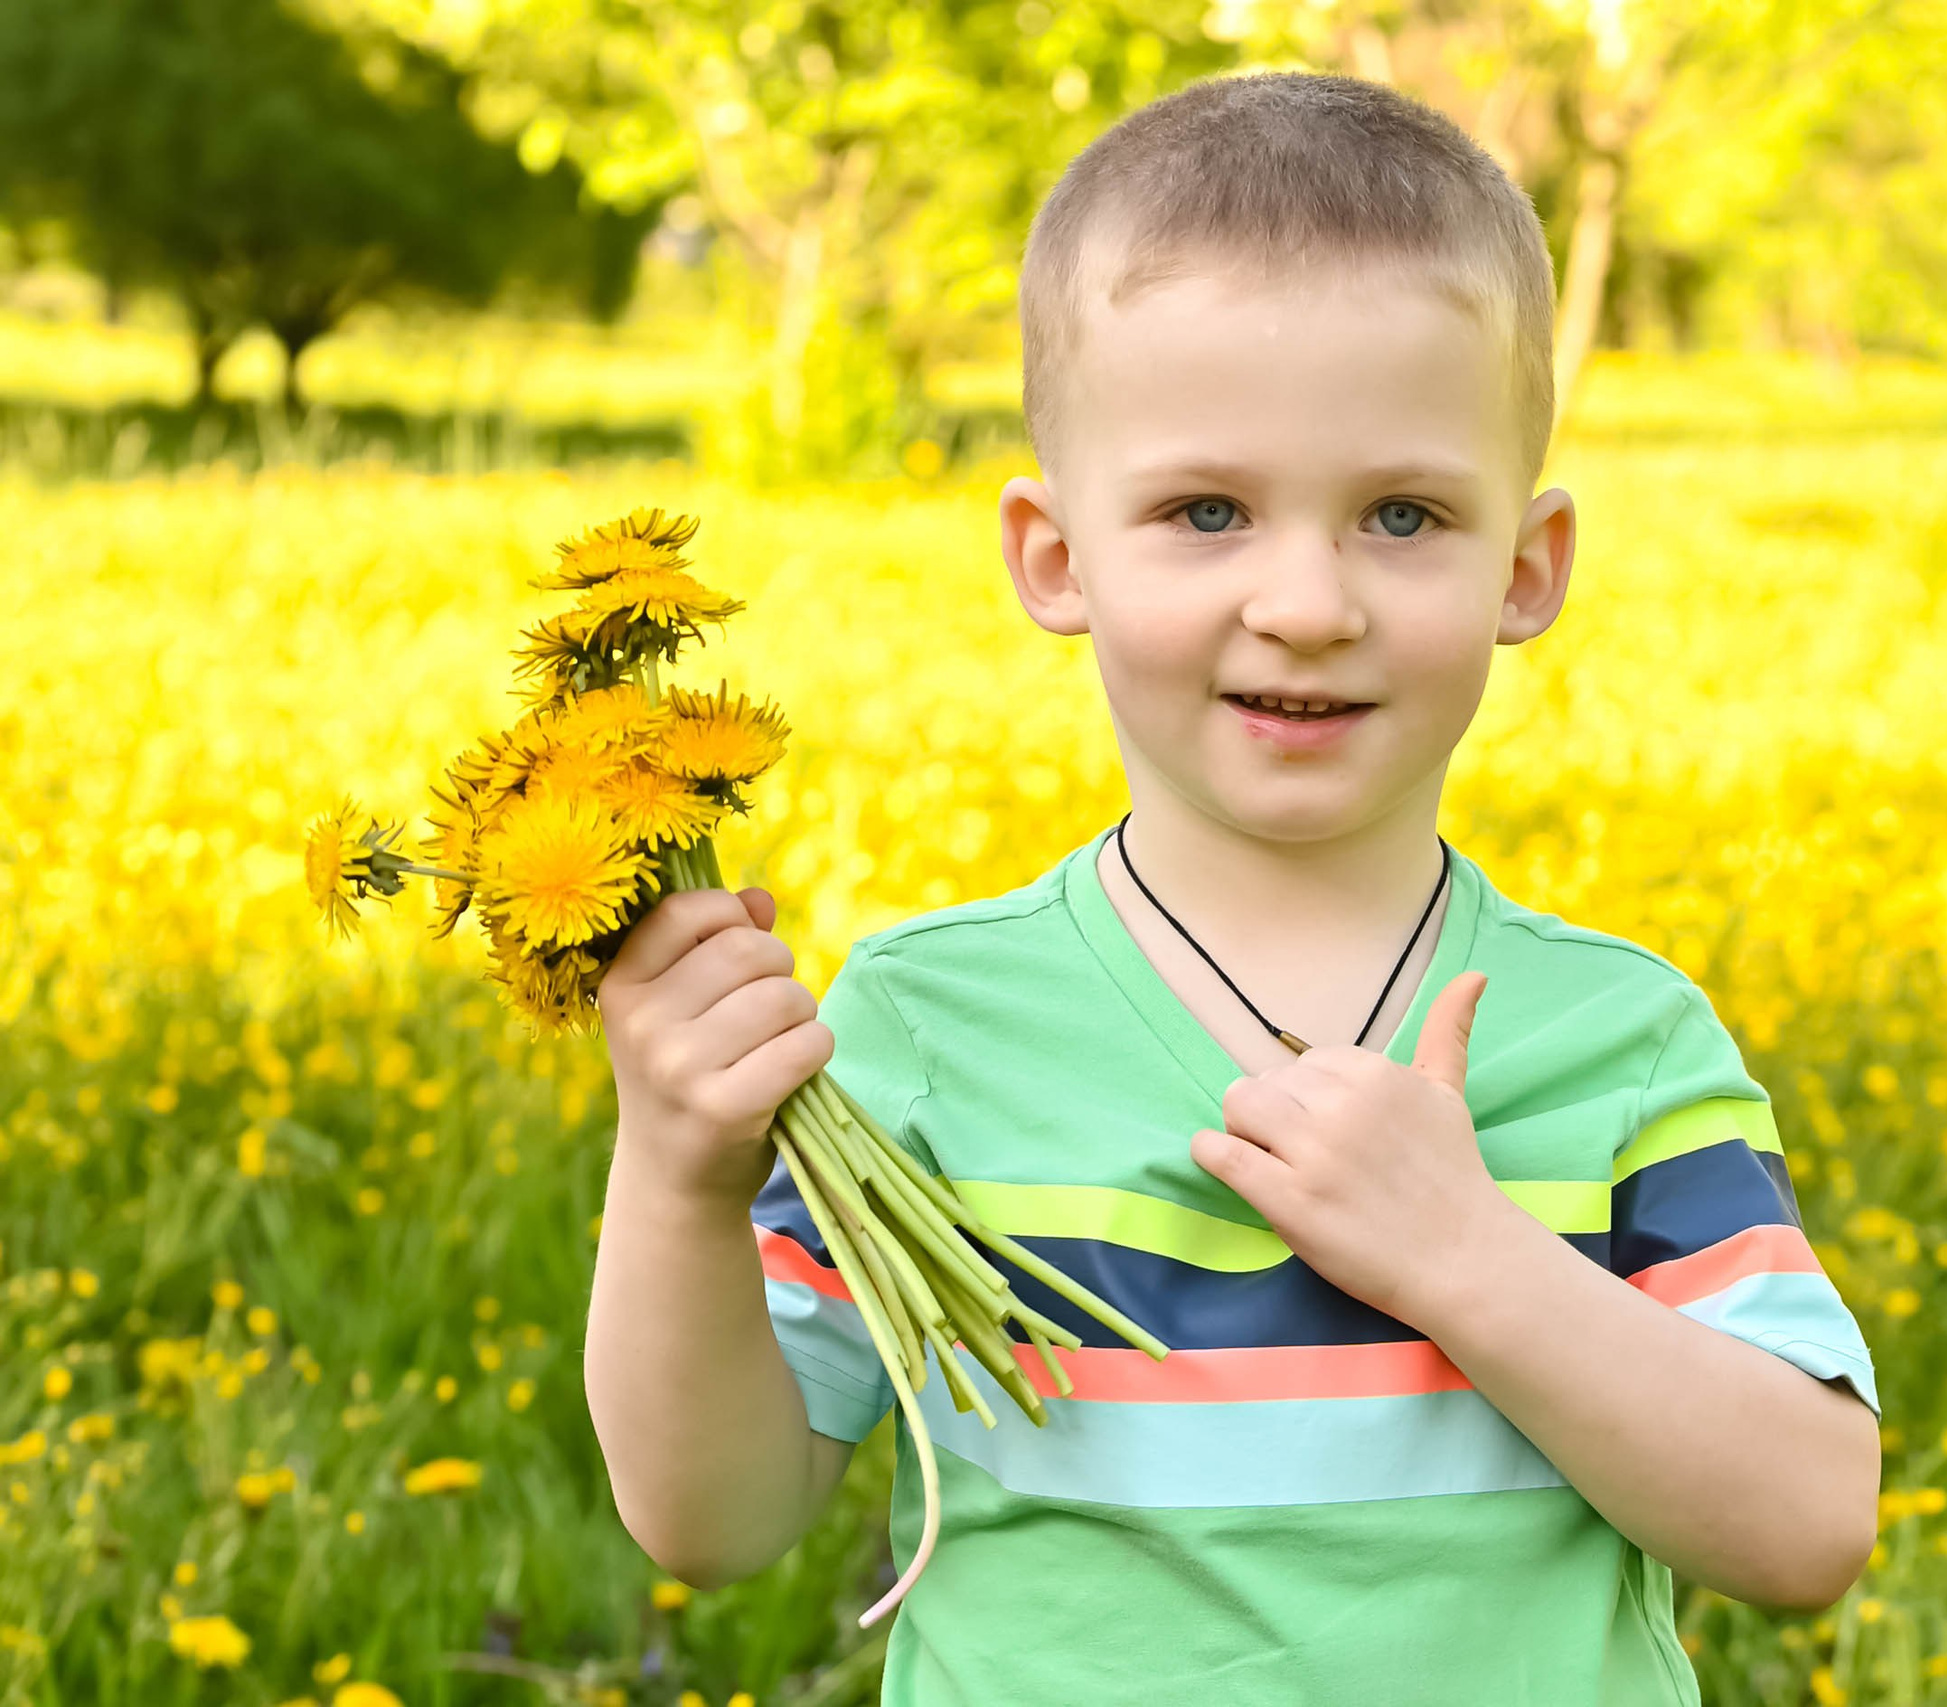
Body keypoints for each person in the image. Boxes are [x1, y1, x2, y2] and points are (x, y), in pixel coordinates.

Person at [585, 68, 1881, 1707]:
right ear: (1057, 560)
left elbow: (1806, 1524)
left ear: (1526, 568)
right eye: (1207, 512)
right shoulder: (925, 1026)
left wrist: (1464, 1256)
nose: (1308, 602)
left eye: (1402, 516)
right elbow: (716, 1515)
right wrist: (678, 1173)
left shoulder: (1616, 1038)